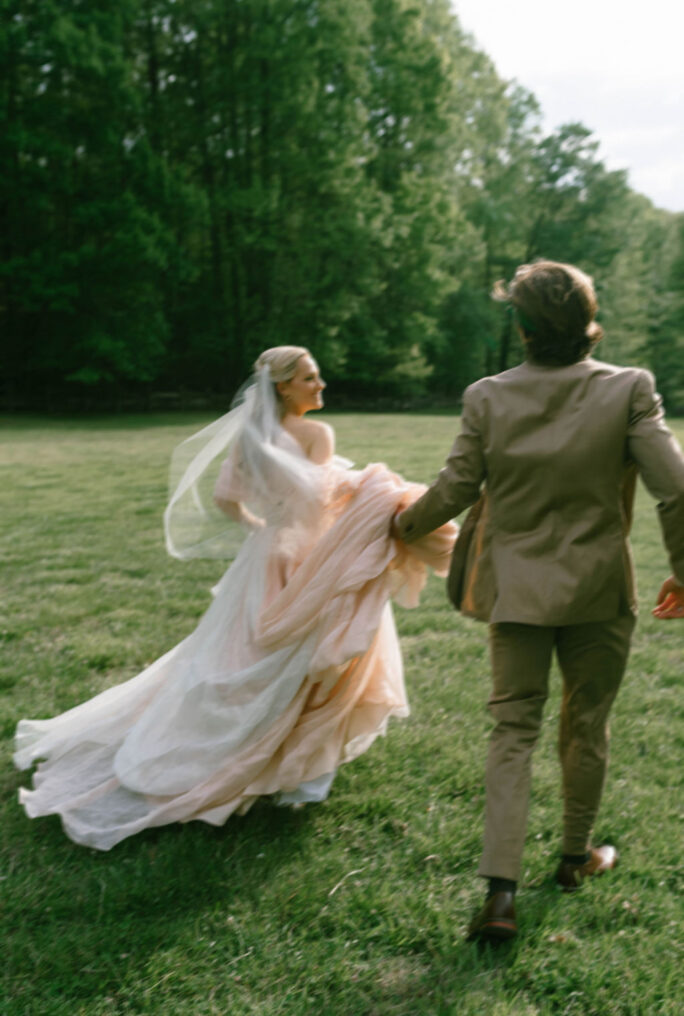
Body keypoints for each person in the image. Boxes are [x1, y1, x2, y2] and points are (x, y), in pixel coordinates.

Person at [15, 346, 457, 850]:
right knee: (317, 658)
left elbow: (228, 502)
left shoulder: (250, 437)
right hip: (309, 560)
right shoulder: (317, 434)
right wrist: (368, 495)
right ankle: (301, 776)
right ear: (285, 387)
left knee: (246, 658)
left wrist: (262, 531)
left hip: (262, 558)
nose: (322, 386)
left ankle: (281, 765)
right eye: (311, 378)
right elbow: (315, 506)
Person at [392, 261, 684, 941]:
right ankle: (575, 860)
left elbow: (455, 487)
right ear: (589, 319)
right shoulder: (630, 388)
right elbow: (677, 486)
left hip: (516, 593)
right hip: (599, 591)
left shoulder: (486, 397)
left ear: (522, 328)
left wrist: (400, 525)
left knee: (512, 734)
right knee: (588, 725)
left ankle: (500, 896)